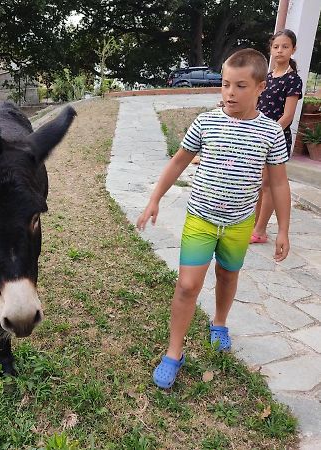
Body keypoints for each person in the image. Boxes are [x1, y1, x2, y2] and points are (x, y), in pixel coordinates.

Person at [136, 48, 291, 390]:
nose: (229, 93)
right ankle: (174, 353)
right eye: (225, 85)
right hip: (201, 220)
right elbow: (178, 161)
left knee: (227, 274)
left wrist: (283, 229)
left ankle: (219, 322)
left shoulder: (271, 133)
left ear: (261, 87)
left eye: (240, 86)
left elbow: (278, 183)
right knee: (187, 286)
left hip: (239, 224)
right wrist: (154, 199)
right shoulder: (206, 122)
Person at [250, 29, 303, 244]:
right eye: (276, 46)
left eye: (285, 46)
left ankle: (261, 230)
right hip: (259, 135)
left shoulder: (293, 80)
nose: (280, 50)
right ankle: (253, 224)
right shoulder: (268, 77)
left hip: (276, 139)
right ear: (271, 49)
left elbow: (288, 116)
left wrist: (268, 134)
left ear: (293, 49)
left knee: (269, 184)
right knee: (258, 183)